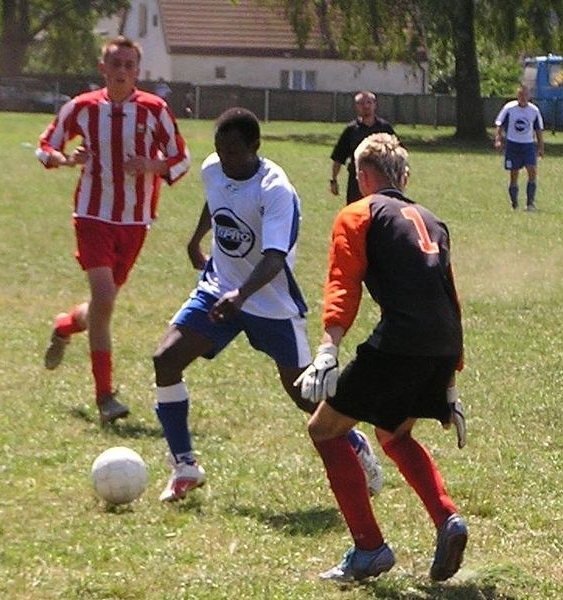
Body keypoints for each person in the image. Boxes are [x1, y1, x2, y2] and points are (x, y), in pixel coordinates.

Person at [152, 107, 383, 502]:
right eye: (220, 151)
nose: (225, 160)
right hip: (219, 286)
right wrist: (196, 240)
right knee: (166, 359)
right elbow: (216, 196)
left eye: (234, 153)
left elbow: (276, 257)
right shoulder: (214, 168)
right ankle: (185, 465)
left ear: (255, 147)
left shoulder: (275, 190)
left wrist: (241, 296)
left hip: (270, 301)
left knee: (304, 396)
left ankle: (354, 441)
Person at [296, 133, 468, 582]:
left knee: (325, 431)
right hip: (442, 343)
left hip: (402, 341)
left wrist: (327, 350)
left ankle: (369, 549)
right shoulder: (432, 220)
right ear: (404, 177)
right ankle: (448, 518)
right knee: (394, 435)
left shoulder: (358, 212)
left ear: (363, 176)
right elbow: (450, 298)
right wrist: (450, 382)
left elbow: (342, 283)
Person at [36, 36, 190, 425]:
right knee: (105, 298)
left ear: (137, 71)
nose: (121, 71)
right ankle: (105, 396)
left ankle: (64, 325)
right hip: (92, 215)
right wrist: (67, 159)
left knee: (101, 306)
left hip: (135, 221)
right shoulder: (82, 108)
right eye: (115, 64)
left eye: (128, 65)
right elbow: (44, 147)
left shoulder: (155, 111)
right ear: (102, 68)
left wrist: (153, 166)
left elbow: (181, 158)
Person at [330, 90, 395, 204]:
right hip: (357, 182)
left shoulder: (385, 128)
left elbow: (397, 153)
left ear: (375, 105)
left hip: (381, 181)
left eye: (369, 102)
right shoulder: (351, 130)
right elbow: (338, 157)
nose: (366, 106)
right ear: (356, 107)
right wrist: (334, 180)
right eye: (361, 103)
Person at [494, 84, 544, 211]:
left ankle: (530, 203)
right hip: (513, 145)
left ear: (529, 96)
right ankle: (514, 203)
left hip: (528, 145)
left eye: (525, 95)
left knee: (532, 171)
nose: (523, 97)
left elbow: (538, 130)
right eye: (520, 95)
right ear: (517, 96)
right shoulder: (509, 108)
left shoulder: (534, 110)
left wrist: (540, 147)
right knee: (514, 174)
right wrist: (498, 139)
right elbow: (499, 125)